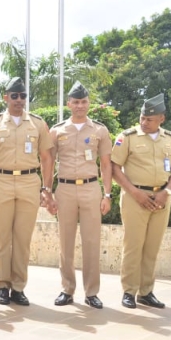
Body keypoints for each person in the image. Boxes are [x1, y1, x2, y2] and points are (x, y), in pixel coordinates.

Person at [0, 77, 55, 307]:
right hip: (1, 181)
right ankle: (3, 285)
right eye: (14, 96)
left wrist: (47, 188)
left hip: (29, 182)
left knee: (22, 239)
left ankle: (19, 287)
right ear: (6, 98)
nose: (19, 100)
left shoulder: (37, 124)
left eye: (23, 96)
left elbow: (46, 158)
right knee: (2, 237)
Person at [110, 93, 171, 309]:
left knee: (152, 247)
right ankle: (128, 291)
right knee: (133, 246)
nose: (144, 122)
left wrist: (166, 192)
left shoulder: (170, 139)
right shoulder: (128, 137)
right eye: (142, 118)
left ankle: (146, 292)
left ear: (162, 118)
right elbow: (115, 168)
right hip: (135, 198)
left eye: (150, 119)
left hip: (161, 198)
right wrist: (135, 193)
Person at [50, 82, 113, 309]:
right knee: (65, 241)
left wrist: (107, 194)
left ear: (89, 103)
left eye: (83, 101)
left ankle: (91, 292)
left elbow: (106, 164)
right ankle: (67, 289)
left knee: (91, 241)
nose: (79, 106)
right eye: (75, 102)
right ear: (69, 104)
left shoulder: (99, 130)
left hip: (90, 188)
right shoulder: (57, 131)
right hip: (65, 189)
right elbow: (47, 162)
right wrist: (47, 191)